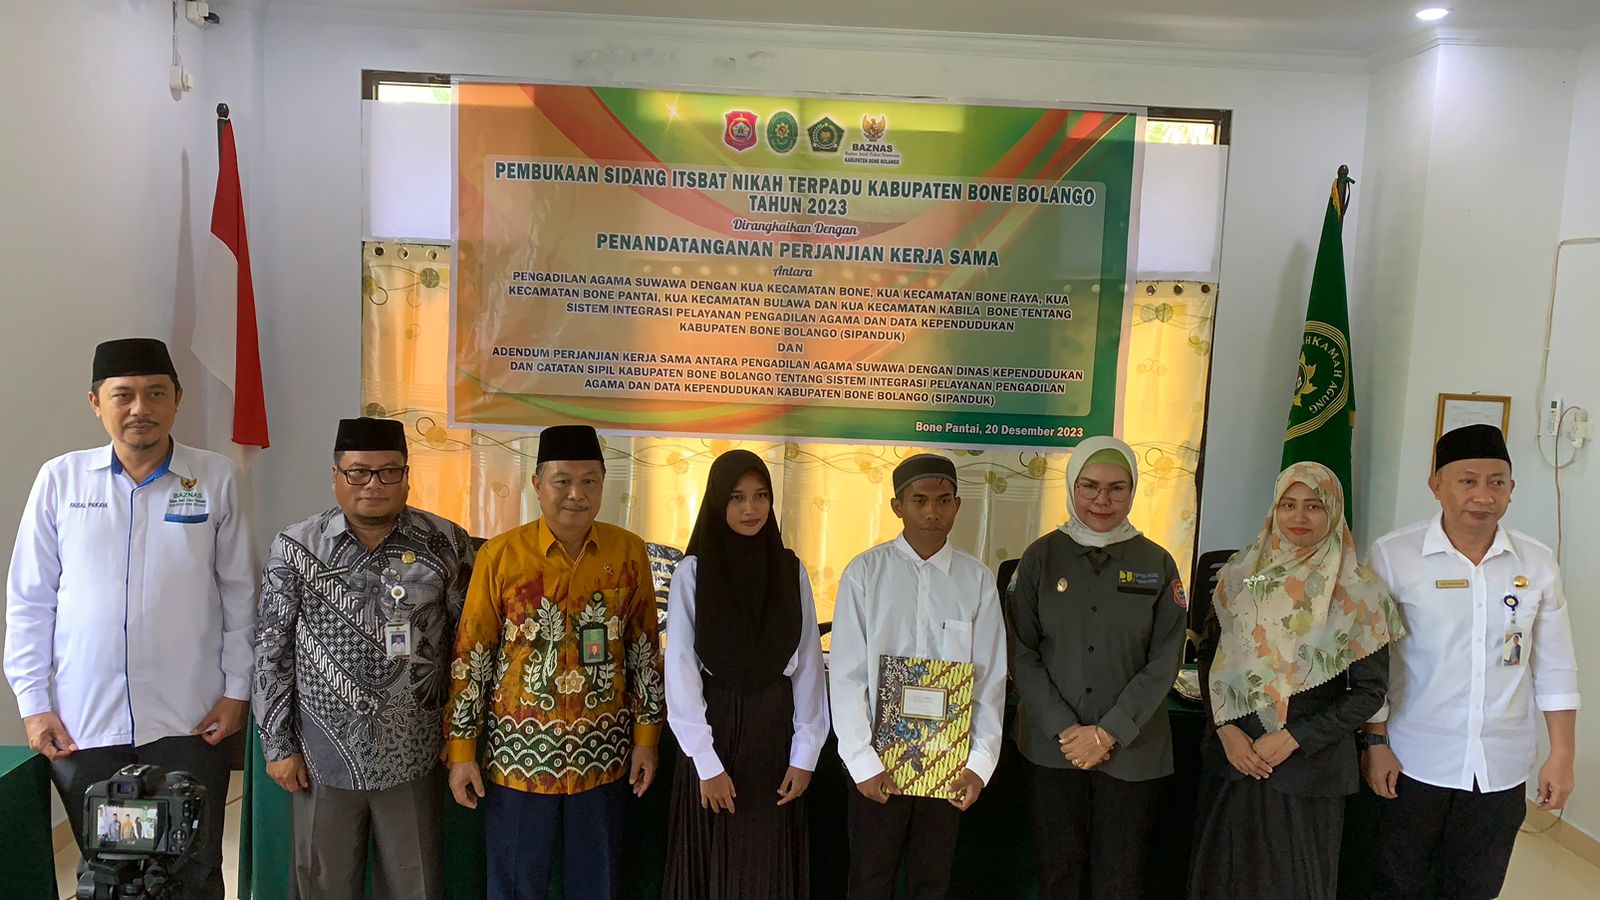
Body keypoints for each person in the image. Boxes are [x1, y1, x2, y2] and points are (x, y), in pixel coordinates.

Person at [4, 338, 253, 899]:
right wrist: (33, 703)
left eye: (155, 393)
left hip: (190, 719)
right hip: (83, 722)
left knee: (191, 868)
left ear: (177, 399)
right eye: (124, 395)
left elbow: (241, 593)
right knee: (107, 873)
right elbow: (29, 600)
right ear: (96, 403)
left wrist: (236, 692)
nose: (141, 408)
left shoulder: (213, 478)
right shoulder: (61, 480)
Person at [253, 417, 475, 900]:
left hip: (414, 753)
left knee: (415, 884)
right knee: (323, 884)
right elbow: (272, 648)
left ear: (407, 477)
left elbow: (467, 650)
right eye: (358, 472)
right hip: (321, 756)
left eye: (388, 471)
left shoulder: (446, 542)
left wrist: (460, 735)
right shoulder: (296, 546)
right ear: (336, 476)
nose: (373, 484)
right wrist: (278, 745)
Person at [444, 424, 666, 900]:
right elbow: (472, 657)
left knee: (598, 885)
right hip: (519, 758)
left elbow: (644, 651)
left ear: (603, 485)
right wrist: (462, 752)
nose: (575, 494)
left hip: (602, 753)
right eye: (562, 480)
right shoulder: (500, 556)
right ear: (537, 484)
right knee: (515, 887)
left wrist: (647, 740)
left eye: (589, 481)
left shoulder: (628, 552)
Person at [1363, 424, 1580, 900]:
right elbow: (1372, 659)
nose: (1483, 496)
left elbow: (1556, 665)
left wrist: (1561, 754)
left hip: (1501, 765)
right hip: (1413, 758)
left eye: (1496, 482)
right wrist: (1375, 741)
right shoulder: (1394, 556)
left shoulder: (1536, 563)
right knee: (1396, 884)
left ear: (1511, 489)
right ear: (1436, 485)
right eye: (1467, 480)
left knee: (1475, 887)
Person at [1187, 462, 1404, 900]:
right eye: (1288, 505)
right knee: (1222, 881)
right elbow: (1209, 657)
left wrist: (1293, 739)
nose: (1299, 517)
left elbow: (1369, 692)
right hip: (1236, 761)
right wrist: (1224, 728)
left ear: (1334, 512)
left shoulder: (1359, 593)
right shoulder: (1242, 577)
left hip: (1308, 771)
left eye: (1313, 506)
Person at [1005, 436, 1187, 900]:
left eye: (1116, 488)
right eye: (1089, 486)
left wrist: (1108, 733)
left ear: (1133, 490)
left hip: (1132, 748)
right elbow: (1020, 651)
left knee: (1120, 878)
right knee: (1058, 873)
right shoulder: (1040, 558)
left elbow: (1166, 659)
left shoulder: (1157, 563)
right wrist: (1067, 730)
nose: (1101, 500)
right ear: (1072, 487)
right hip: (1053, 749)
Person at [829, 453, 1007, 900]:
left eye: (944, 501)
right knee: (870, 880)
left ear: (958, 506)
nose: (932, 512)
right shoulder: (865, 573)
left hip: (948, 766)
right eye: (920, 500)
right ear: (897, 506)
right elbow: (847, 677)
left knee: (932, 881)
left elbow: (989, 680)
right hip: (879, 763)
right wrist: (862, 762)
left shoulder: (977, 580)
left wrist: (979, 764)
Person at [661, 449, 829, 900]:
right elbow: (680, 670)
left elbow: (809, 664)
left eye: (760, 496)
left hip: (774, 736)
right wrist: (705, 761)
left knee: (764, 862)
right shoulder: (693, 573)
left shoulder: (790, 570)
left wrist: (805, 753)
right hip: (711, 732)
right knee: (709, 862)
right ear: (718, 502)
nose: (751, 508)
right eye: (736, 497)